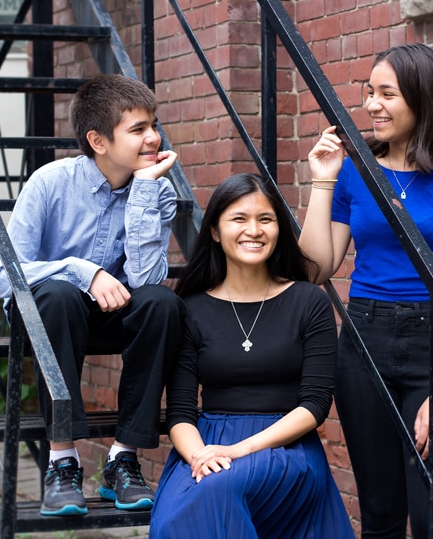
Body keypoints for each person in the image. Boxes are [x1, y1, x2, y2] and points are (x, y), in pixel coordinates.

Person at [299, 43, 433, 538]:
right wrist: (323, 182)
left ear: (422, 99)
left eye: (387, 93)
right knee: (381, 515)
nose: (371, 105)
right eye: (368, 92)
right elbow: (316, 269)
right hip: (364, 342)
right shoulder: (355, 172)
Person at [0, 74, 186, 517]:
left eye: (154, 125)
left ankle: (122, 458)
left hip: (110, 314)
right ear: (98, 140)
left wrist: (144, 193)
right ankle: (62, 460)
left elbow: (146, 280)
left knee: (164, 303)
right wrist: (84, 271)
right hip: (46, 317)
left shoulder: (158, 189)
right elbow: (4, 276)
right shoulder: (50, 182)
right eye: (138, 129)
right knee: (59, 294)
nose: (153, 137)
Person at [149, 173, 355, 539]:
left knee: (217, 492)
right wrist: (200, 455)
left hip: (285, 445)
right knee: (172, 518)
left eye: (265, 219)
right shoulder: (191, 309)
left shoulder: (309, 301)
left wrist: (239, 450)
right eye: (239, 219)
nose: (254, 230)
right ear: (214, 231)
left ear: (279, 229)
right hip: (207, 444)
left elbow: (315, 405)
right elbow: (180, 412)